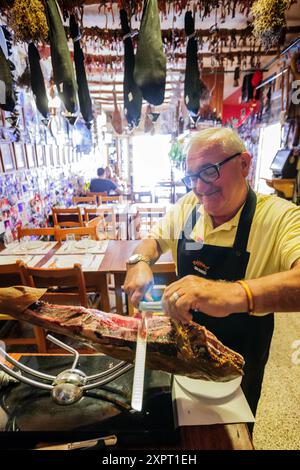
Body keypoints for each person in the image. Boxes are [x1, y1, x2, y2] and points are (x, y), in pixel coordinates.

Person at [124, 127, 300, 420]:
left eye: (209, 171)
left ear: (244, 164)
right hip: (184, 340)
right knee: (180, 418)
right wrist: (140, 261)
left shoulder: (280, 217)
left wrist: (231, 293)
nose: (200, 187)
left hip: (240, 352)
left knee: (231, 427)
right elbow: (153, 240)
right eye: (192, 177)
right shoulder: (189, 208)